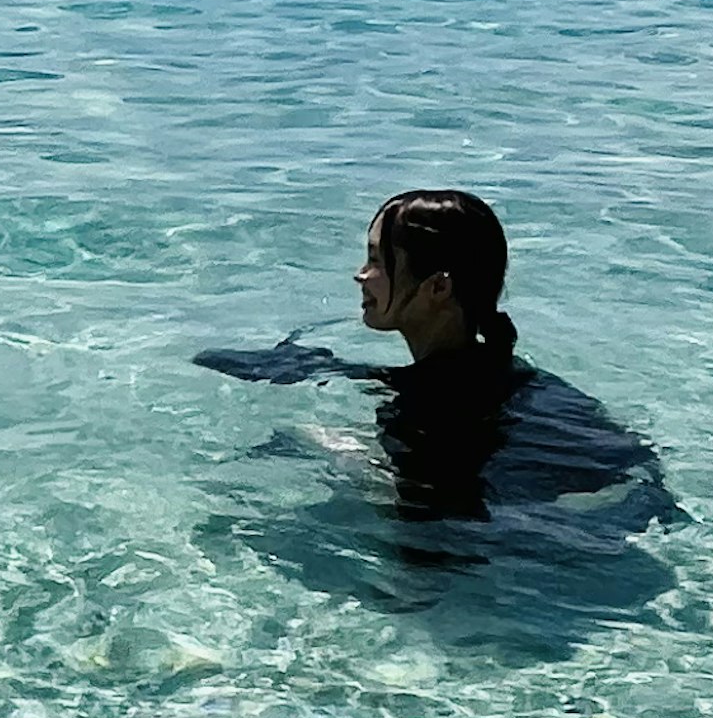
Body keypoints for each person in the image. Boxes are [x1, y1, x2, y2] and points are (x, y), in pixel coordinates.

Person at [197, 187, 676, 529]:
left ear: (438, 287)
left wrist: (335, 453)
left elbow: (436, 531)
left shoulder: (426, 410)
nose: (360, 276)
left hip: (534, 529)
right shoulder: (513, 375)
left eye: (379, 262)